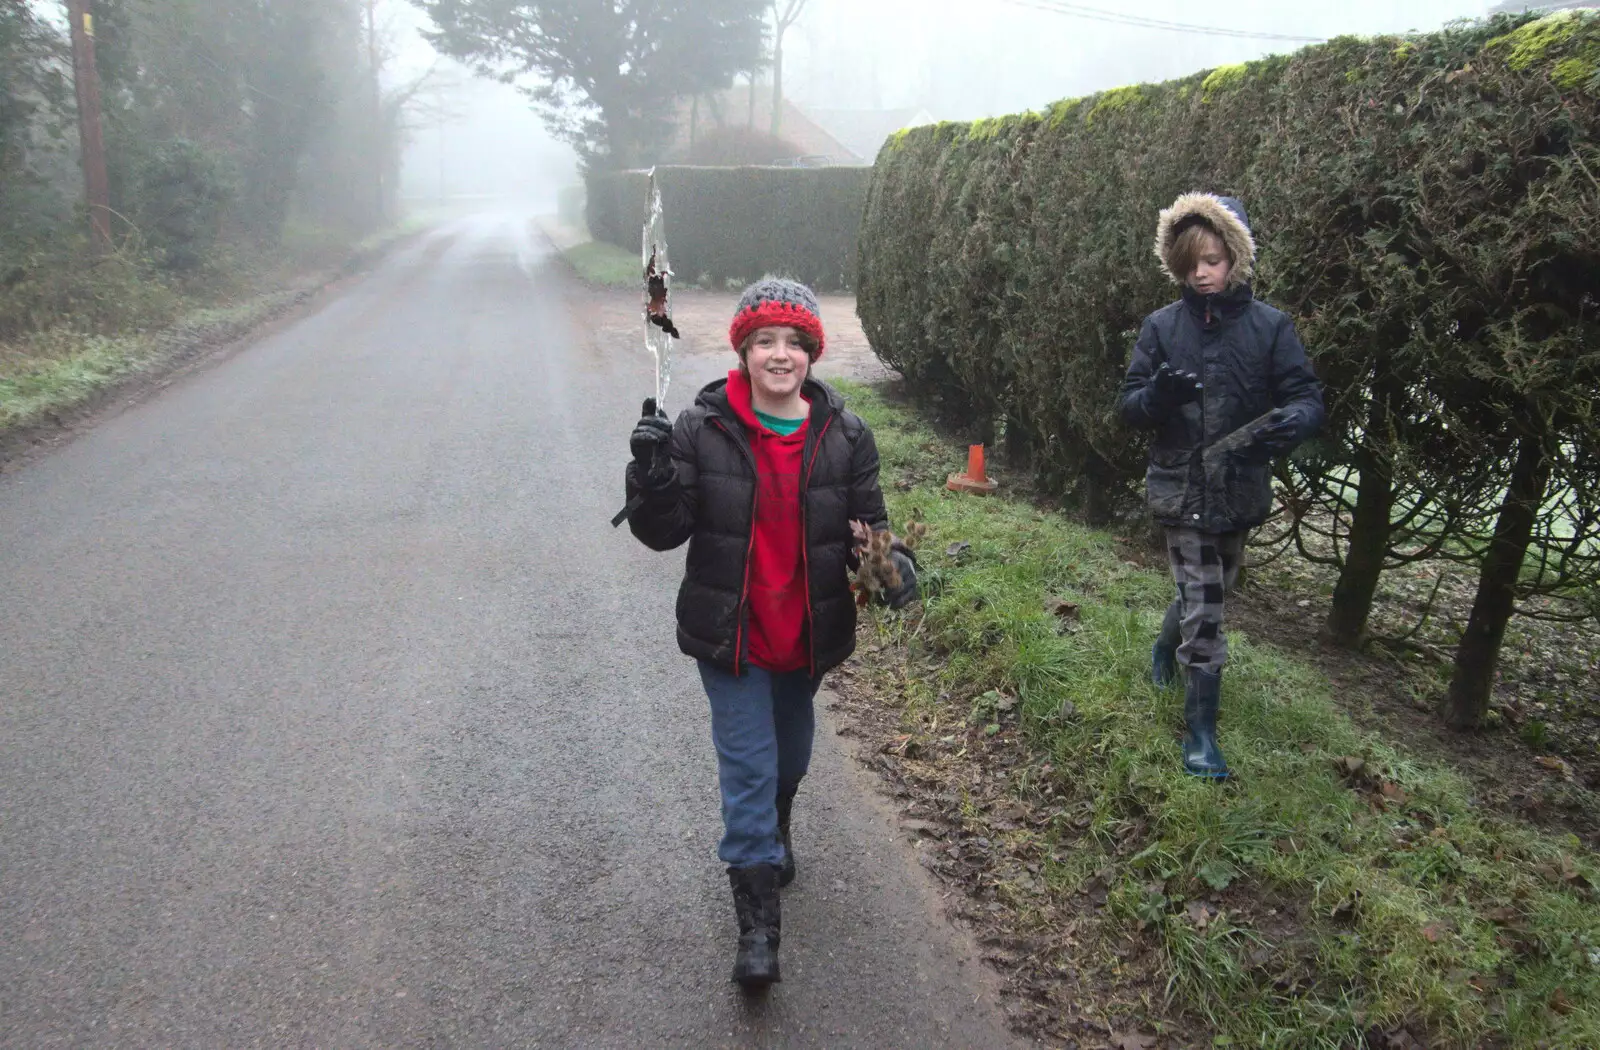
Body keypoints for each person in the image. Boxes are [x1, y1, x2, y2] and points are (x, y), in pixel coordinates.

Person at [623, 277, 917, 989]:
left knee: (789, 758)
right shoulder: (701, 427)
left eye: (793, 342)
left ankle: (779, 822)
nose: (779, 355)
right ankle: (757, 928)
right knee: (749, 769)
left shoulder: (846, 435)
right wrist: (651, 475)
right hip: (733, 637)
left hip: (808, 635)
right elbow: (663, 534)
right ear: (744, 350)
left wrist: (890, 567)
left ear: (812, 352)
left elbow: (871, 534)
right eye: (764, 342)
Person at [1119, 193, 1324, 779]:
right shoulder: (1161, 328)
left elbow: (1306, 395)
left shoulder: (1270, 328)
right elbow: (1129, 405)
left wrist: (1296, 422)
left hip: (1238, 485)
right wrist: (1155, 397)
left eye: (1212, 259)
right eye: (1190, 263)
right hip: (1181, 489)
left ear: (1234, 257)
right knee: (1206, 611)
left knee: (1206, 594)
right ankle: (1201, 736)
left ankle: (1164, 646)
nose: (1201, 273)